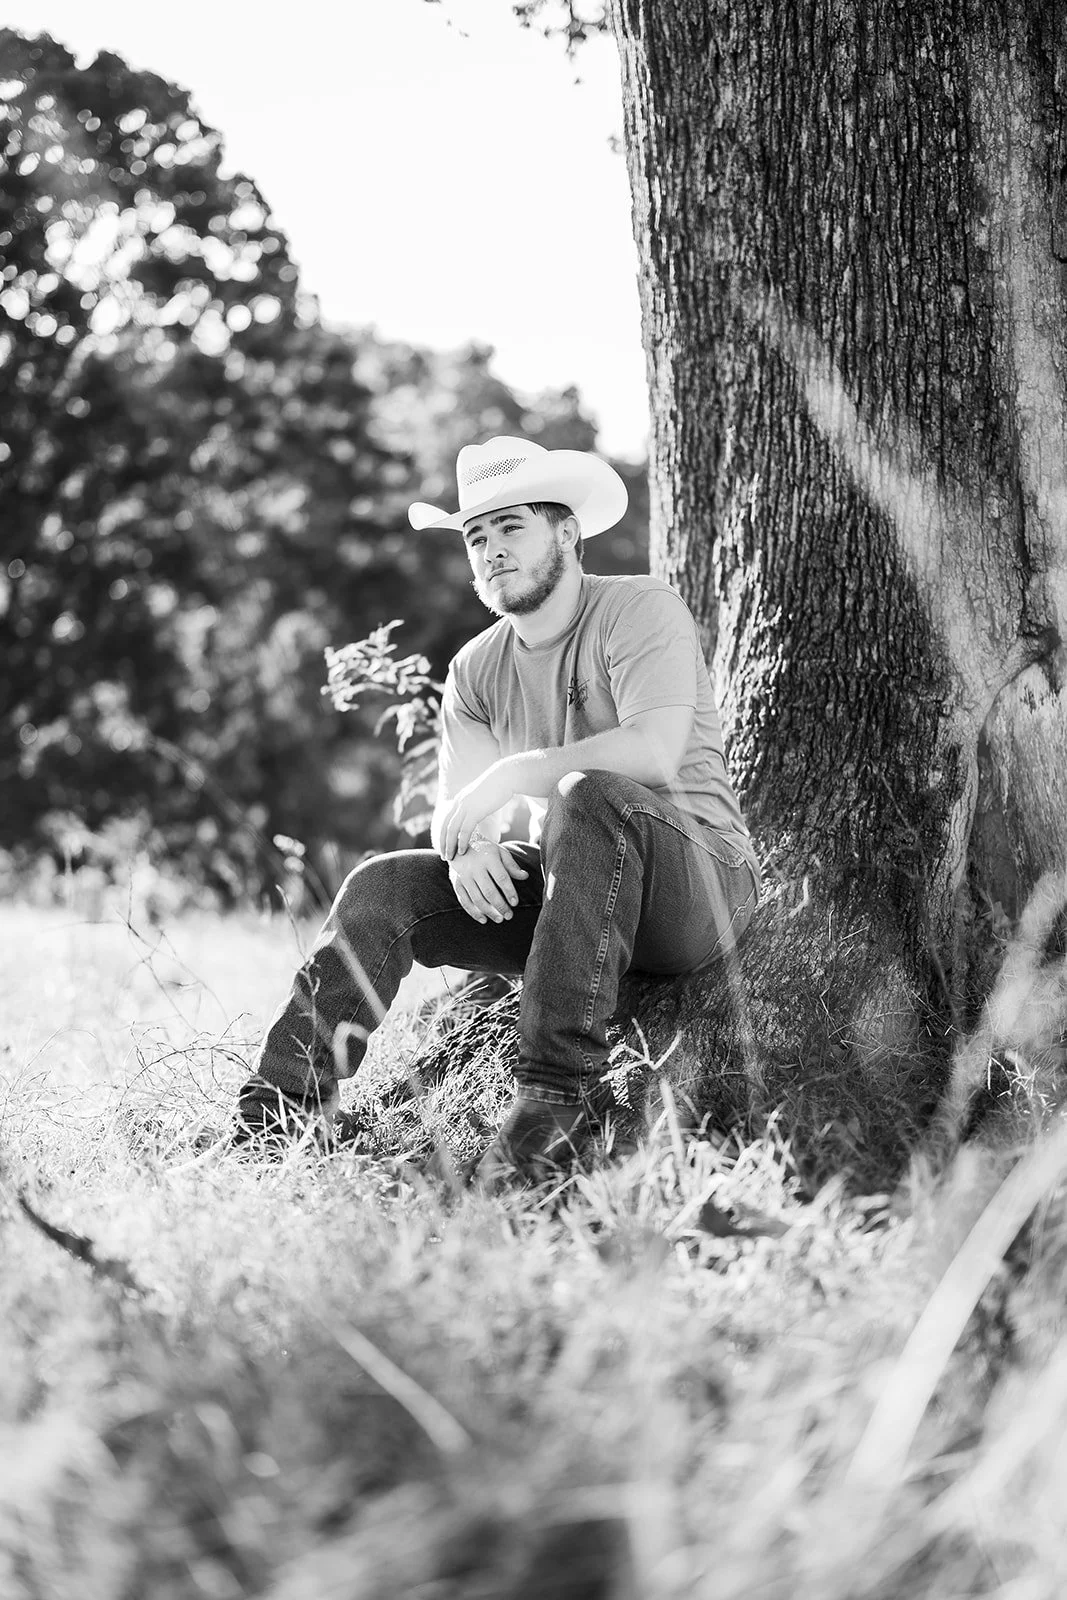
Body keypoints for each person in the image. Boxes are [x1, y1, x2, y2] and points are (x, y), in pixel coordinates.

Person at [235, 436, 761, 1186]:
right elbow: (459, 813)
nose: (490, 550)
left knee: (588, 795)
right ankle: (280, 1111)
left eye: (511, 526)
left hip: (698, 885)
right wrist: (466, 847)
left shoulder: (638, 607)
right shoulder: (475, 669)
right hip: (577, 896)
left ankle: (554, 1102)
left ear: (567, 532)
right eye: (475, 537)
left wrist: (513, 775)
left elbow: (653, 750)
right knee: (387, 886)